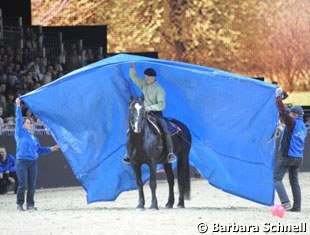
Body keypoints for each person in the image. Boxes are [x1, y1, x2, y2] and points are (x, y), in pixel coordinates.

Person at [123, 63, 177, 164]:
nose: (146, 78)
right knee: (131, 127)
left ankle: (170, 153)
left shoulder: (159, 89)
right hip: (144, 113)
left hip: (155, 113)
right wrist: (132, 68)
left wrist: (150, 107)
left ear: (153, 77)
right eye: (146, 76)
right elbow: (133, 77)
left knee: (165, 128)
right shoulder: (144, 84)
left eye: (148, 77)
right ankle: (128, 153)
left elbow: (162, 105)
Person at [15, 97, 59, 211]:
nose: (30, 124)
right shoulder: (20, 133)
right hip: (22, 162)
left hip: (33, 162)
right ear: (24, 125)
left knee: (32, 185)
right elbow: (18, 119)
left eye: (30, 123)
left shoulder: (34, 138)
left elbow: (39, 150)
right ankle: (19, 204)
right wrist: (18, 106)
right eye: (28, 123)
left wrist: (51, 149)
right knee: (23, 184)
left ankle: (30, 205)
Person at [274, 88, 307, 212]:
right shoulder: (302, 126)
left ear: (295, 115)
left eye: (291, 113)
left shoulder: (292, 122)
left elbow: (283, 113)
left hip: (287, 156)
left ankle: (285, 202)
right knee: (294, 182)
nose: (289, 114)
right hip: (298, 158)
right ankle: (297, 206)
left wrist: (278, 97)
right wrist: (282, 100)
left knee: (276, 179)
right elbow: (286, 112)